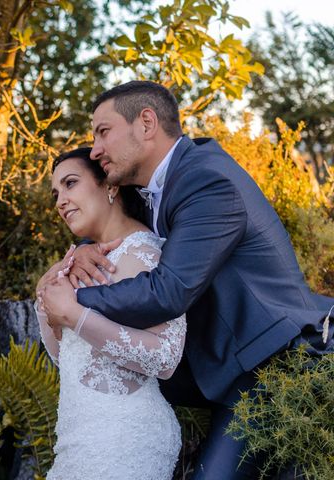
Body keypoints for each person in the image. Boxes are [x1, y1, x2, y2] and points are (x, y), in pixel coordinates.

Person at [39, 80, 334, 479]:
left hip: (278, 364)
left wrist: (74, 304)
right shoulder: (155, 189)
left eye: (103, 131)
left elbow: (168, 290)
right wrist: (87, 249)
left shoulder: (207, 180)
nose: (95, 149)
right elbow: (125, 235)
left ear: (146, 123)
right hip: (230, 371)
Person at [35, 147, 186, 479]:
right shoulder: (78, 262)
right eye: (56, 193)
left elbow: (166, 357)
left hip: (125, 439)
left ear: (110, 186)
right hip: (78, 440)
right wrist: (46, 300)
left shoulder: (146, 254)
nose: (60, 201)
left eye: (70, 184)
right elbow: (69, 360)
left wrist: (74, 315)